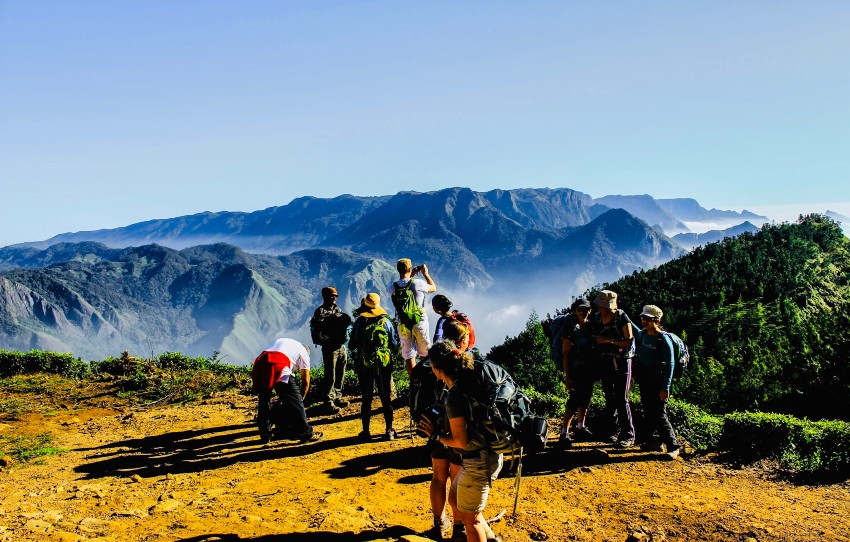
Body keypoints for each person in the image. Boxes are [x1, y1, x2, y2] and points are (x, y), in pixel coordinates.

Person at [419, 340, 503, 542]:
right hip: (490, 452)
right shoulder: (470, 381)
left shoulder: (455, 395)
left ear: (438, 370)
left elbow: (461, 442)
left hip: (478, 461)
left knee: (470, 518)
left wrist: (436, 435)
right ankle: (491, 539)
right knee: (455, 500)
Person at [425, 316, 470, 540]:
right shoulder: (462, 365)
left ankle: (439, 522)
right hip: (455, 427)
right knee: (457, 478)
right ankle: (460, 526)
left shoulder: (434, 361)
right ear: (461, 341)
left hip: (435, 425)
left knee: (438, 475)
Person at [250, 338, 323, 444]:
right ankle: (305, 433)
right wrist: (299, 400)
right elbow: (306, 381)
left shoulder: (289, 344)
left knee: (263, 401)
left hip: (260, 363)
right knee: (295, 401)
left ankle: (265, 434)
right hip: (279, 365)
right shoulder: (304, 353)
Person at [349, 293, 400, 441]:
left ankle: (366, 432)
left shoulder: (359, 322)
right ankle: (389, 430)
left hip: (364, 365)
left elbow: (352, 345)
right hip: (384, 365)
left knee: (366, 398)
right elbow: (394, 344)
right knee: (386, 398)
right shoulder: (386, 322)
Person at [590, 290, 636, 448]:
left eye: (601, 306)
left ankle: (628, 435)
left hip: (622, 361)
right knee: (610, 398)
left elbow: (628, 342)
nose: (599, 308)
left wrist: (607, 341)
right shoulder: (597, 318)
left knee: (621, 399)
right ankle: (613, 431)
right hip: (605, 361)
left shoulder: (622, 317)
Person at [634, 305, 681, 459]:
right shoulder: (642, 335)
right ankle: (655, 442)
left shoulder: (663, 339)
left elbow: (670, 364)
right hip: (645, 379)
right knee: (648, 412)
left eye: (648, 319)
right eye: (643, 318)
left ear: (657, 320)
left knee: (659, 413)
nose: (644, 321)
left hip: (659, 380)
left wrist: (665, 387)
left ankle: (673, 446)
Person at [557, 297, 596, 449]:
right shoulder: (569, 328)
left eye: (585, 309)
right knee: (574, 400)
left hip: (589, 369)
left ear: (589, 311)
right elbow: (565, 354)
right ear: (575, 310)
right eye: (579, 309)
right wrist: (568, 377)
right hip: (576, 370)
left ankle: (580, 426)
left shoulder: (591, 326)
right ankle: (564, 431)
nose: (582, 312)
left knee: (585, 398)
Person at [388, 258, 437, 376]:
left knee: (408, 354)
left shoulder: (391, 287)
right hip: (420, 321)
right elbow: (433, 287)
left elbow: (404, 282)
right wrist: (425, 274)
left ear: (398, 269)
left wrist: (411, 274)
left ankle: (414, 383)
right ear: (409, 269)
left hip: (403, 323)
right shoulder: (418, 283)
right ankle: (427, 382)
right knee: (425, 353)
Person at [310, 286, 352, 413]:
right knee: (330, 375)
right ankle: (328, 401)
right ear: (325, 297)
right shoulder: (320, 311)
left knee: (340, 373)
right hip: (329, 348)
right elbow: (320, 328)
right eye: (332, 296)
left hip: (340, 346)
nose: (334, 298)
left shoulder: (337, 309)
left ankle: (337, 396)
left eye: (336, 296)